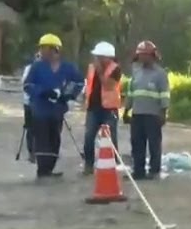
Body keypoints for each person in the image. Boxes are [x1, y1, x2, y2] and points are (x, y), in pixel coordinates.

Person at [21, 34, 84, 179]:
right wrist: (43, 92)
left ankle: (49, 167)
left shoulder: (68, 67)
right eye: (41, 48)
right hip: (40, 108)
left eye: (45, 48)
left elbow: (78, 83)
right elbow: (28, 85)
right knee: (42, 138)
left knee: (54, 138)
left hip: (57, 110)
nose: (42, 51)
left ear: (55, 49)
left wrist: (66, 94)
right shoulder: (37, 67)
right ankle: (42, 169)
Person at [123, 41, 170, 180]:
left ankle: (154, 171)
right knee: (137, 143)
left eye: (145, 55)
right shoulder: (136, 73)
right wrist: (126, 111)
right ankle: (138, 171)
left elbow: (165, 94)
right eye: (140, 55)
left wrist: (163, 112)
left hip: (153, 115)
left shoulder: (160, 74)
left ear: (152, 56)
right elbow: (131, 93)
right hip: (137, 114)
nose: (142, 58)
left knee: (154, 144)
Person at [82, 41, 123, 175]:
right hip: (93, 108)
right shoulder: (91, 67)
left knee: (111, 138)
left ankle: (113, 164)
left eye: (99, 56)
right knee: (89, 137)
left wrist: (100, 72)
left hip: (109, 109)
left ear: (108, 57)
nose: (96, 59)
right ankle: (88, 165)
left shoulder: (115, 69)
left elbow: (109, 86)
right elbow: (88, 84)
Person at [21, 51, 39, 163]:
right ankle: (32, 152)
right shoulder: (29, 69)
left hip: (43, 104)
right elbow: (25, 84)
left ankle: (40, 151)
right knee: (30, 128)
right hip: (29, 102)